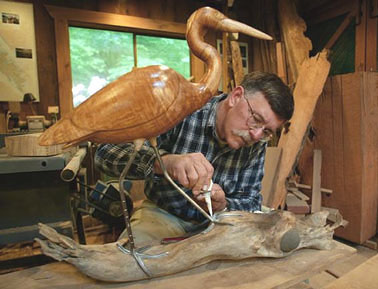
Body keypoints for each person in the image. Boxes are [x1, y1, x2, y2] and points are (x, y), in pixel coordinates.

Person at [94, 71, 294, 246]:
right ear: (236, 96)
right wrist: (163, 163)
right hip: (164, 214)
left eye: (267, 131)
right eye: (256, 119)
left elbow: (251, 202)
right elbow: (106, 153)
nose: (256, 135)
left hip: (220, 221)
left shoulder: (257, 142)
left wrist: (223, 205)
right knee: (133, 258)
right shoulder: (183, 110)